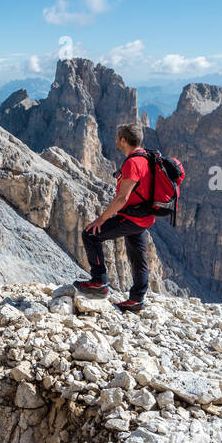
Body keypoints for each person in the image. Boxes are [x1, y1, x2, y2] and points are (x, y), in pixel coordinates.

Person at [75, 122, 153, 313]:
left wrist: (100, 220)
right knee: (137, 257)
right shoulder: (146, 157)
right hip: (144, 216)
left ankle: (99, 282)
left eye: (118, 138)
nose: (116, 140)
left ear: (124, 141)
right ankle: (136, 300)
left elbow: (122, 198)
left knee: (90, 235)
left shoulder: (133, 162)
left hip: (132, 216)